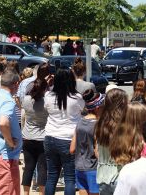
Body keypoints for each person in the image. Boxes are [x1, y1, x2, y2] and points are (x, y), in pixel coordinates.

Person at [43, 67, 85, 195]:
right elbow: (82, 109)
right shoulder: (76, 97)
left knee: (51, 177)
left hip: (50, 137)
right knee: (70, 178)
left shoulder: (48, 95)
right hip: (68, 139)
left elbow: (46, 108)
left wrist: (47, 84)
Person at [70, 89, 105, 195]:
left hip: (79, 167)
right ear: (98, 108)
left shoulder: (79, 122)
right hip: (93, 169)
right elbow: (97, 152)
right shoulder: (98, 126)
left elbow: (72, 149)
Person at [94, 88, 128, 194]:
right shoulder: (125, 126)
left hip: (102, 175)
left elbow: (96, 152)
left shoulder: (99, 124)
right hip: (121, 174)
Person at [21, 79, 49, 195]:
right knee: (42, 168)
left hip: (27, 136)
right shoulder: (47, 102)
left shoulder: (26, 100)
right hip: (42, 137)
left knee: (28, 167)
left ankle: (26, 193)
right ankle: (41, 193)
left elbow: (23, 116)